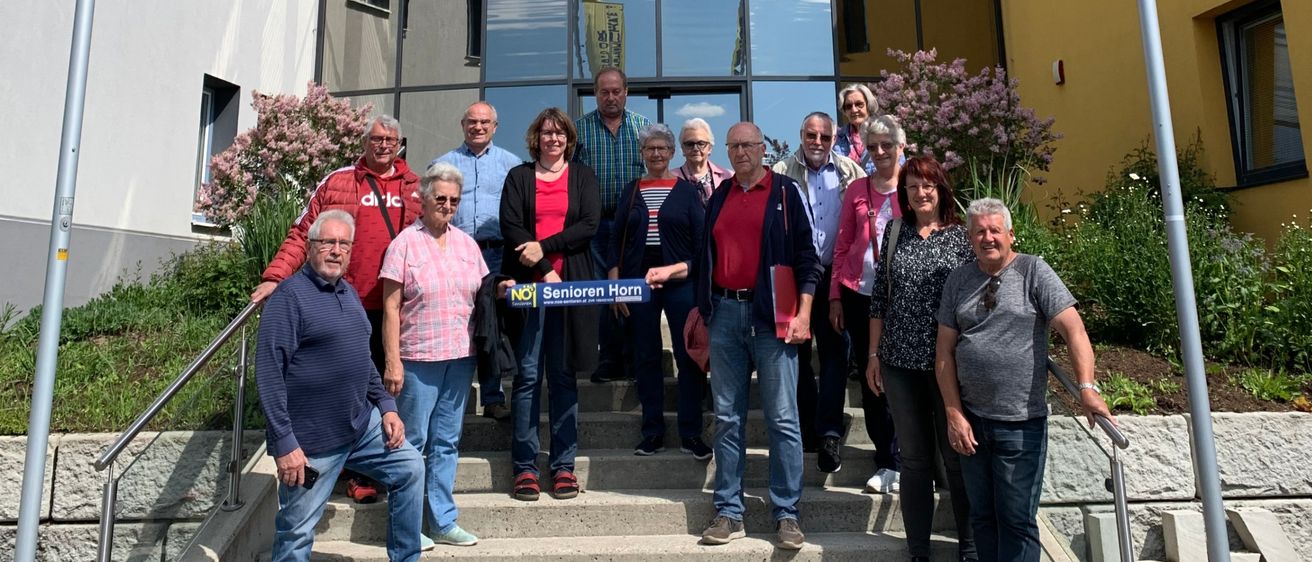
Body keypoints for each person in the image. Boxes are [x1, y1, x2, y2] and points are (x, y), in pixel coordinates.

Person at [252, 114, 422, 504]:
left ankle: (386, 462)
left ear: (399, 144)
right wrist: (276, 277)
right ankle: (353, 473)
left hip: (398, 308)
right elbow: (303, 232)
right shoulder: (339, 181)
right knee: (348, 384)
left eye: (391, 140)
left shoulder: (415, 189)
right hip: (348, 304)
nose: (384, 145)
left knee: (389, 387)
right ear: (365, 142)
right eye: (377, 138)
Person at [936, 198, 1115, 562]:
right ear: (970, 237)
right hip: (972, 421)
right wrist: (954, 413)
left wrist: (1087, 388)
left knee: (1016, 520)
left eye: (995, 230)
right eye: (980, 231)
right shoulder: (959, 279)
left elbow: (1074, 331)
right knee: (982, 517)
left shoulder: (1034, 271)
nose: (988, 238)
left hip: (1020, 424)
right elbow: (944, 353)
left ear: (1010, 234)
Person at [255, 210, 425, 562]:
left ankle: (406, 556)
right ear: (309, 246)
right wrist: (284, 442)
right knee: (296, 530)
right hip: (311, 444)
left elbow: (363, 363)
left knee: (410, 467)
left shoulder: (348, 293)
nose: (336, 250)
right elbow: (269, 374)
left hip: (361, 428)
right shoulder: (289, 298)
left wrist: (387, 407)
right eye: (327, 242)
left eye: (343, 244)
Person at [693, 122, 820, 550]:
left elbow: (808, 257)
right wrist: (706, 309)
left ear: (763, 148)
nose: (742, 151)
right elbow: (703, 256)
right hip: (726, 315)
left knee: (783, 418)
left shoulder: (784, 192)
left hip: (773, 317)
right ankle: (729, 511)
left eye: (749, 144)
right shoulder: (720, 196)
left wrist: (803, 313)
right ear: (726, 151)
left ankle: (787, 513)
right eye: (735, 145)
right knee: (727, 418)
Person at [380, 163, 512, 548]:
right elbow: (390, 307)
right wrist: (392, 360)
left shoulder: (467, 244)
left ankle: (442, 521)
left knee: (446, 442)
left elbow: (484, 293)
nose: (448, 206)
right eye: (441, 198)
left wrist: (505, 289)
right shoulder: (404, 243)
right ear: (422, 198)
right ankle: (406, 527)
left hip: (460, 357)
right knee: (411, 445)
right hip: (418, 359)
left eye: (454, 200)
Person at [866, 155, 977, 562]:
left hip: (948, 364)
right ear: (905, 195)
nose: (920, 192)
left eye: (927, 184)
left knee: (955, 456)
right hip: (898, 362)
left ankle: (969, 548)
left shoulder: (962, 238)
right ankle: (919, 551)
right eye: (912, 186)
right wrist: (874, 355)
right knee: (914, 461)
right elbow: (879, 300)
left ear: (940, 188)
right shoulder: (895, 232)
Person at [501, 108, 600, 502]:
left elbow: (589, 226)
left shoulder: (583, 176)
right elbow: (511, 226)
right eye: (546, 133)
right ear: (535, 138)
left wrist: (546, 247)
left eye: (560, 133)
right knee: (527, 378)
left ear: (569, 140)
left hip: (571, 289)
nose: (553, 139)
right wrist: (543, 266)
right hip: (530, 290)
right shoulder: (519, 177)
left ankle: (563, 467)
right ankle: (525, 468)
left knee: (563, 378)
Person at [606, 123, 711, 460]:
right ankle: (652, 432)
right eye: (649, 149)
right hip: (638, 282)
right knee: (646, 357)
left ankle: (691, 433)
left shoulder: (687, 192)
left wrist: (680, 272)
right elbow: (615, 240)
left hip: (681, 283)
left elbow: (702, 248)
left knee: (687, 358)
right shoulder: (631, 190)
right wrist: (616, 285)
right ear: (642, 154)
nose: (655, 154)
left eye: (661, 148)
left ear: (671, 153)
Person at [771, 111, 866, 470]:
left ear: (833, 138)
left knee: (834, 354)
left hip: (834, 275)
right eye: (811, 135)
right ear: (801, 135)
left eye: (825, 137)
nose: (818, 142)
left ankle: (828, 432)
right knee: (792, 354)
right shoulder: (781, 172)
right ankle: (808, 425)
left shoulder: (850, 172)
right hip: (791, 276)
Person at [433, 101, 523, 421]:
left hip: (496, 254)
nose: (479, 127)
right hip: (454, 254)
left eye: (485, 122)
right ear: (463, 125)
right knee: (455, 322)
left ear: (495, 127)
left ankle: (493, 396)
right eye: (472, 121)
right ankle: (451, 401)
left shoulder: (512, 165)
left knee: (491, 325)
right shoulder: (442, 165)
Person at [833, 115, 907, 493]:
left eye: (886, 145)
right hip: (859, 295)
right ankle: (886, 460)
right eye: (873, 145)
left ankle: (912, 456)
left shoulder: (913, 189)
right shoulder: (857, 191)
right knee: (873, 377)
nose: (879, 152)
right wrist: (835, 296)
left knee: (907, 377)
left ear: (900, 147)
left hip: (905, 298)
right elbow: (842, 245)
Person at [574, 67, 652, 383]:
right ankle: (608, 359)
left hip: (635, 228)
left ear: (626, 92)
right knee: (605, 294)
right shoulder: (579, 131)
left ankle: (635, 358)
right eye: (604, 92)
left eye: (616, 91)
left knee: (633, 290)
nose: (610, 97)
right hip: (596, 226)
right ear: (596, 94)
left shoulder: (644, 129)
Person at [673, 117, 733, 205]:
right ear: (682, 148)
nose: (695, 148)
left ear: (710, 148)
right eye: (690, 144)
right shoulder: (671, 178)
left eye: (701, 144)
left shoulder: (729, 177)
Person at [833, 84, 879, 174]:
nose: (853, 110)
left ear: (868, 105)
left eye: (859, 104)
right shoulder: (836, 139)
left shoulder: (885, 134)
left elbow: (898, 167)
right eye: (848, 106)